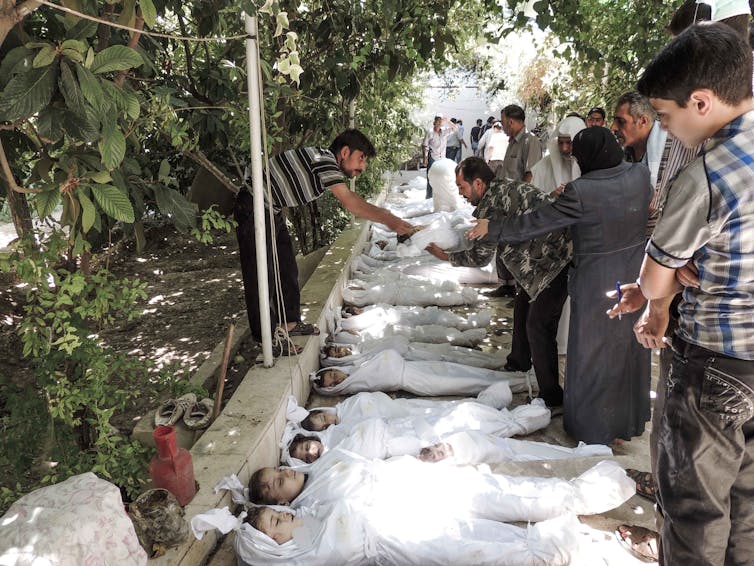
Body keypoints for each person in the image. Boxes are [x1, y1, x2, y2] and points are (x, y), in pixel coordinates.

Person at [624, 23, 754, 565]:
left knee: (695, 509)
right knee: (748, 506)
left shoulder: (707, 175)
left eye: (667, 116)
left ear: (700, 102)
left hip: (713, 367)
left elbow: (655, 278)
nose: (667, 129)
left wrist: (668, 280)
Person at [467, 127, 652, 445]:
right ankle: (626, 422)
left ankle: (592, 429)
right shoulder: (640, 174)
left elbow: (535, 222)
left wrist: (492, 226)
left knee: (591, 355)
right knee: (627, 349)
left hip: (595, 282)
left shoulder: (582, 191)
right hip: (636, 277)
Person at [234, 129, 413, 356]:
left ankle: (289, 322)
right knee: (261, 275)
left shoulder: (323, 160)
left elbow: (351, 198)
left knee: (287, 268)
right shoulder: (324, 161)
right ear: (345, 152)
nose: (362, 167)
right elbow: (350, 202)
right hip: (253, 208)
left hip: (271, 210)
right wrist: (389, 219)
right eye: (361, 159)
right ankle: (267, 340)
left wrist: (389, 217)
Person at [425, 158, 571, 410]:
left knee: (539, 325)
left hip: (554, 261)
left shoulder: (492, 204)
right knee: (522, 305)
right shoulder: (501, 187)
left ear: (478, 183)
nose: (460, 193)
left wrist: (447, 257)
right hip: (541, 261)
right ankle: (518, 361)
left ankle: (551, 396)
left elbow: (480, 256)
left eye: (462, 187)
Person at [486, 104, 543, 298]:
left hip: (520, 203)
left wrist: (521, 202)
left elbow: (531, 173)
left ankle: (520, 289)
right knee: (502, 241)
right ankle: (506, 284)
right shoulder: (512, 142)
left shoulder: (530, 142)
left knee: (519, 247)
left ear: (510, 121)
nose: (502, 126)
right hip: (506, 202)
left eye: (503, 122)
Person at [310, 348, 531, 397]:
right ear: (332, 387)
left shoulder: (356, 367)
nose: (337, 378)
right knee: (467, 383)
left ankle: (521, 377)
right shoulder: (355, 386)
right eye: (333, 381)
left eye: (333, 374)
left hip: (414, 366)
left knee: (464, 370)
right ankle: (524, 384)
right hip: (414, 380)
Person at [610, 91, 669, 237]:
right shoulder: (622, 156)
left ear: (643, 121)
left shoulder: (672, 149)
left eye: (621, 121)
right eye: (614, 121)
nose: (613, 127)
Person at [530, 115, 586, 197]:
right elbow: (533, 196)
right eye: (560, 143)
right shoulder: (545, 164)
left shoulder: (589, 165)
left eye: (569, 142)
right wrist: (551, 196)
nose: (564, 148)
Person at [421, 116, 457, 198]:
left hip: (442, 158)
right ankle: (429, 197)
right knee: (431, 177)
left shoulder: (444, 131)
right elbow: (424, 145)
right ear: (434, 123)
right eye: (437, 121)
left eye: (440, 121)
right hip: (433, 157)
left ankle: (439, 197)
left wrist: (448, 121)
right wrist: (425, 158)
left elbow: (455, 128)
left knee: (441, 177)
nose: (439, 123)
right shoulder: (430, 132)